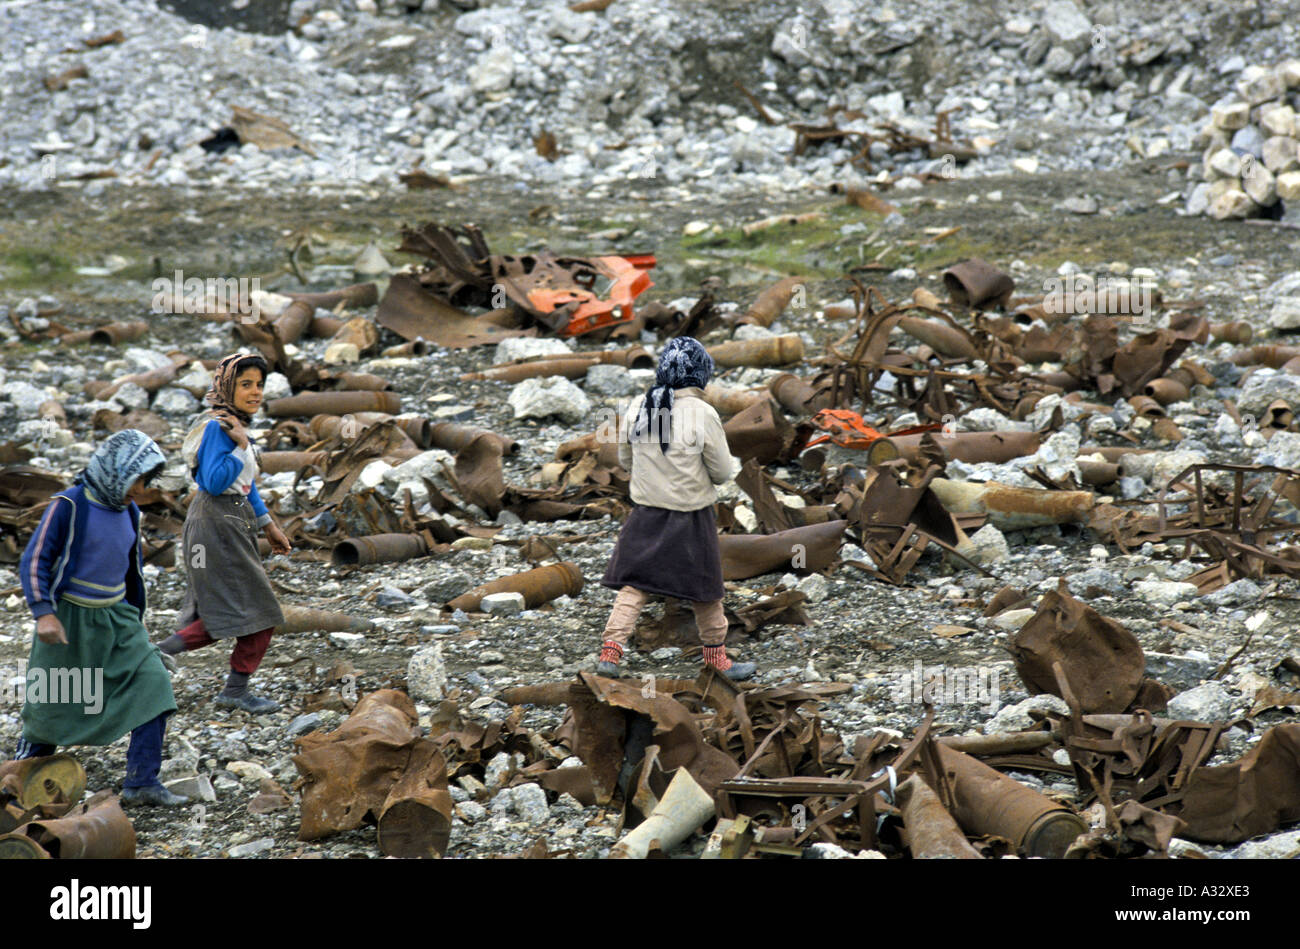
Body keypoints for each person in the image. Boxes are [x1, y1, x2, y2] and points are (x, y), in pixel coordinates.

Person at [15, 429, 188, 806]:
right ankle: (18, 779)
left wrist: (135, 617)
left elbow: (131, 570)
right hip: (70, 622)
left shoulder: (129, 511)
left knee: (152, 684)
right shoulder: (70, 505)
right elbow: (34, 560)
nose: (142, 489)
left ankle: (142, 781)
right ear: (117, 470)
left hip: (116, 620)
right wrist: (44, 613)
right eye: (139, 479)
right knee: (52, 705)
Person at [596, 336, 756, 681]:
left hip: (646, 514)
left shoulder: (642, 405)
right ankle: (717, 660)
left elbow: (626, 460)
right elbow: (722, 472)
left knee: (634, 585)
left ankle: (610, 654)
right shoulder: (703, 413)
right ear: (701, 374)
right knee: (705, 590)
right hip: (691, 518)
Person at [156, 352, 291, 713]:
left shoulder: (233, 424)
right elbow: (215, 482)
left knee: (232, 609)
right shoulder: (221, 427)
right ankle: (167, 661)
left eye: (259, 384)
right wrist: (242, 447)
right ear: (226, 386)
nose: (255, 391)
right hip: (217, 522)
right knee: (256, 611)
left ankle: (165, 660)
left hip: (230, 520)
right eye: (245, 384)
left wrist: (269, 526)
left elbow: (245, 485)